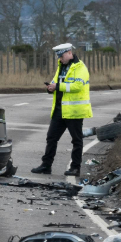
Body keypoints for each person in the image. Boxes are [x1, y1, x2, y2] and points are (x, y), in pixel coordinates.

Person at [31, 42, 92, 175]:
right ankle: (46, 166)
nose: (60, 59)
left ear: (70, 53)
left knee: (77, 140)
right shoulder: (61, 67)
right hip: (59, 110)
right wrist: (50, 88)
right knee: (51, 138)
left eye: (61, 55)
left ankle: (75, 168)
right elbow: (55, 83)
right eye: (58, 56)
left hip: (74, 112)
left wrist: (58, 86)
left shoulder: (80, 67)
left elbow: (77, 86)